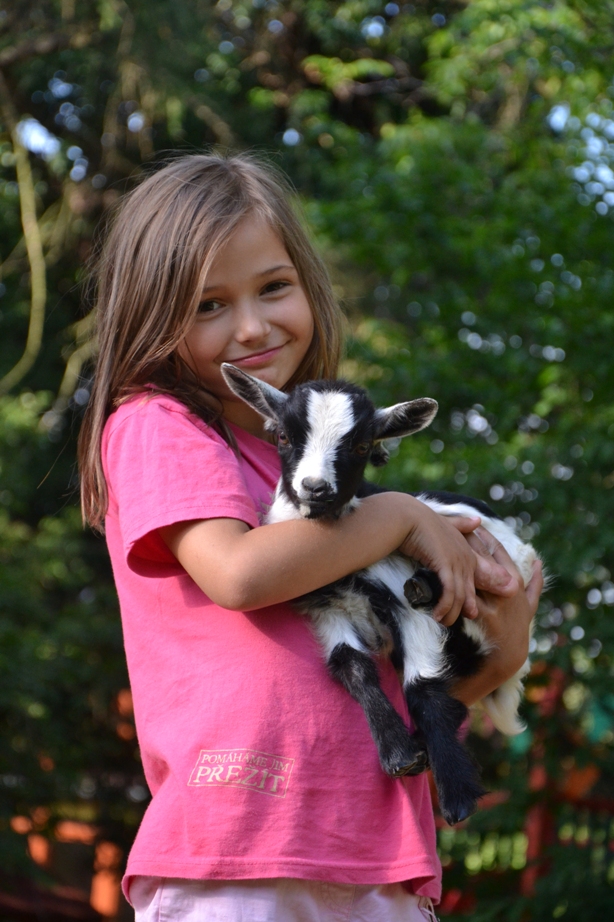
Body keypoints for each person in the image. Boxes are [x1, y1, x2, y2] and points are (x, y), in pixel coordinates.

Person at [78, 153, 543, 922]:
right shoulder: (160, 424)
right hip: (236, 856)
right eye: (208, 305)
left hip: (379, 855)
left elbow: (377, 699)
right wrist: (400, 516)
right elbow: (238, 574)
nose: (252, 326)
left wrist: (505, 648)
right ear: (152, 317)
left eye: (273, 287)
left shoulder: (317, 470)